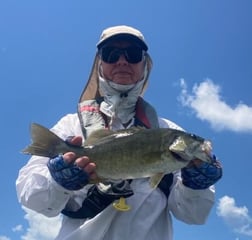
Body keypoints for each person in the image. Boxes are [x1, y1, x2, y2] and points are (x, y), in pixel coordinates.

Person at [16, 25, 222, 240]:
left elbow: (194, 216)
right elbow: (31, 198)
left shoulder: (169, 130)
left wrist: (195, 186)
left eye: (133, 54)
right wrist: (58, 182)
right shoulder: (70, 125)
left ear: (145, 64)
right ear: (100, 64)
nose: (122, 61)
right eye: (111, 54)